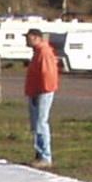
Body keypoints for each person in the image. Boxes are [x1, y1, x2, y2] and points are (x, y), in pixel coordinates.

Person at [23, 26, 60, 167]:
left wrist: (42, 91)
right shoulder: (38, 52)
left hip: (42, 92)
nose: (26, 40)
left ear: (36, 38)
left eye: (28, 37)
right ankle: (39, 155)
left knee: (41, 123)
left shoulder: (43, 52)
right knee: (36, 123)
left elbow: (48, 74)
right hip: (36, 91)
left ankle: (45, 156)